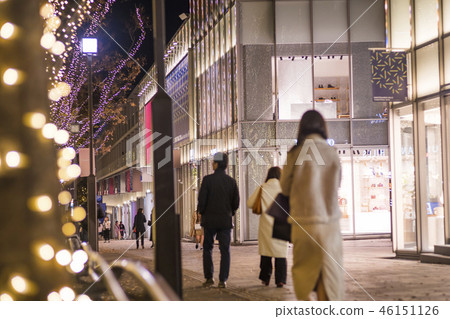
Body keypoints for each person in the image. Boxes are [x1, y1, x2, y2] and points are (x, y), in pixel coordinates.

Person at [280, 110, 343, 301]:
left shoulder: (295, 153)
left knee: (303, 275)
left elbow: (284, 188)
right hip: (329, 224)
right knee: (328, 275)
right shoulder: (331, 152)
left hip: (302, 223)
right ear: (323, 127)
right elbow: (337, 183)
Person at [197, 152, 240, 289]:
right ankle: (223, 280)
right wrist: (230, 212)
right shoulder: (231, 181)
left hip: (209, 220)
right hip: (225, 220)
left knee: (207, 249)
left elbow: (202, 201)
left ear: (216, 164)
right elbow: (236, 203)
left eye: (212, 161)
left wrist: (201, 212)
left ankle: (209, 278)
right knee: (225, 250)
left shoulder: (207, 180)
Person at [247, 167, 288, 288]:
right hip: (282, 224)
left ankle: (265, 277)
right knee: (281, 254)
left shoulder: (262, 187)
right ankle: (280, 280)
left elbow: (250, 203)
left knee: (266, 252)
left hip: (266, 225)